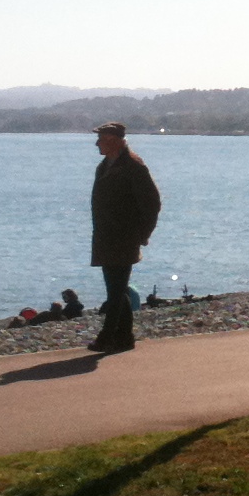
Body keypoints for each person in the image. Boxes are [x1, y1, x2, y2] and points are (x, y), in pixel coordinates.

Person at [88, 122, 161, 354]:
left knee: (116, 290)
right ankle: (125, 337)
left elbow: (152, 203)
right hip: (106, 236)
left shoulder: (133, 166)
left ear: (116, 141)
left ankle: (107, 337)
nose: (97, 144)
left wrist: (144, 234)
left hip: (124, 237)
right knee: (116, 288)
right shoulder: (105, 166)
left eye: (102, 139)